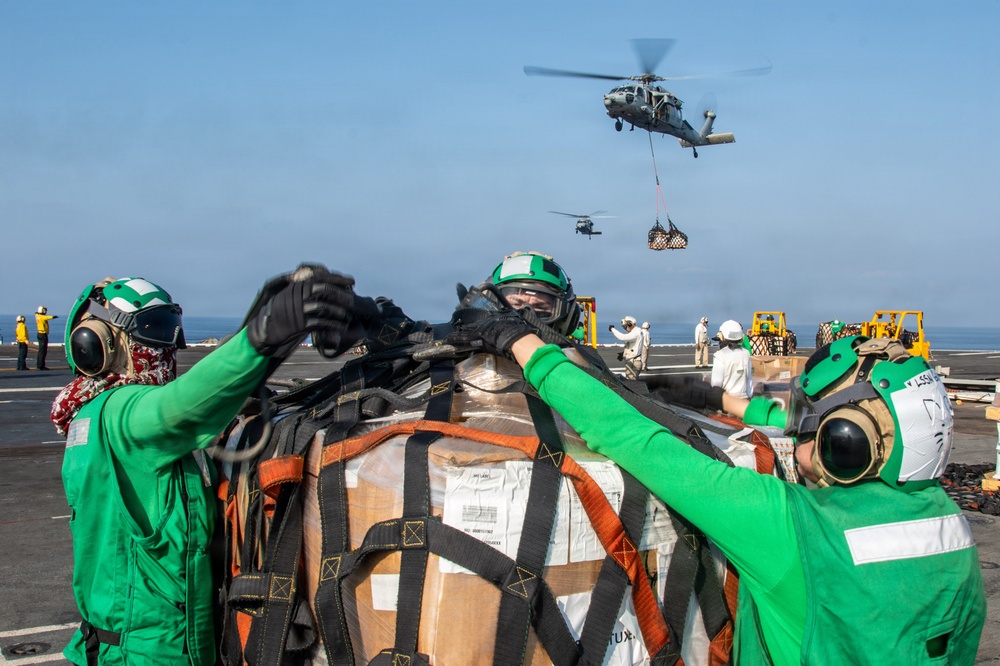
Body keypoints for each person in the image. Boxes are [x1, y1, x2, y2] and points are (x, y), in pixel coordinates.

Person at [449, 304, 986, 664]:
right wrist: (705, 399)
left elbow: (631, 438)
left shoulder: (787, 524)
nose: (797, 431)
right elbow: (771, 415)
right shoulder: (949, 529)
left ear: (845, 443)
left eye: (812, 425)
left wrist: (520, 341)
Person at [52, 267, 362, 666]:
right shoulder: (119, 414)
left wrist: (275, 331)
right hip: (144, 653)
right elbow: (181, 406)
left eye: (170, 328)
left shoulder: (93, 416)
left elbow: (203, 392)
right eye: (153, 330)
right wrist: (262, 335)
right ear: (97, 344)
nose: (168, 346)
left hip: (164, 643)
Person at [711, 319, 752, 399]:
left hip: (727, 401)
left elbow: (716, 385)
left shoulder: (720, 356)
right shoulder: (746, 353)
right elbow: (749, 382)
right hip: (744, 401)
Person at [609, 315, 644, 379]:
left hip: (633, 362)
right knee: (632, 381)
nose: (625, 329)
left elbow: (622, 337)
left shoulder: (636, 333)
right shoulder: (636, 332)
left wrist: (612, 329)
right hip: (633, 361)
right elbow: (633, 347)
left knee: (631, 382)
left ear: (630, 324)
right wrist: (623, 354)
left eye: (625, 326)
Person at [35, 305, 58, 370]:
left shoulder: (37, 316)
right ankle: (41, 365)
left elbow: (36, 313)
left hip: (39, 334)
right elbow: (47, 317)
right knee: (43, 350)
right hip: (43, 334)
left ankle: (39, 364)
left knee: (40, 350)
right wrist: (54, 317)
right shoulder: (42, 317)